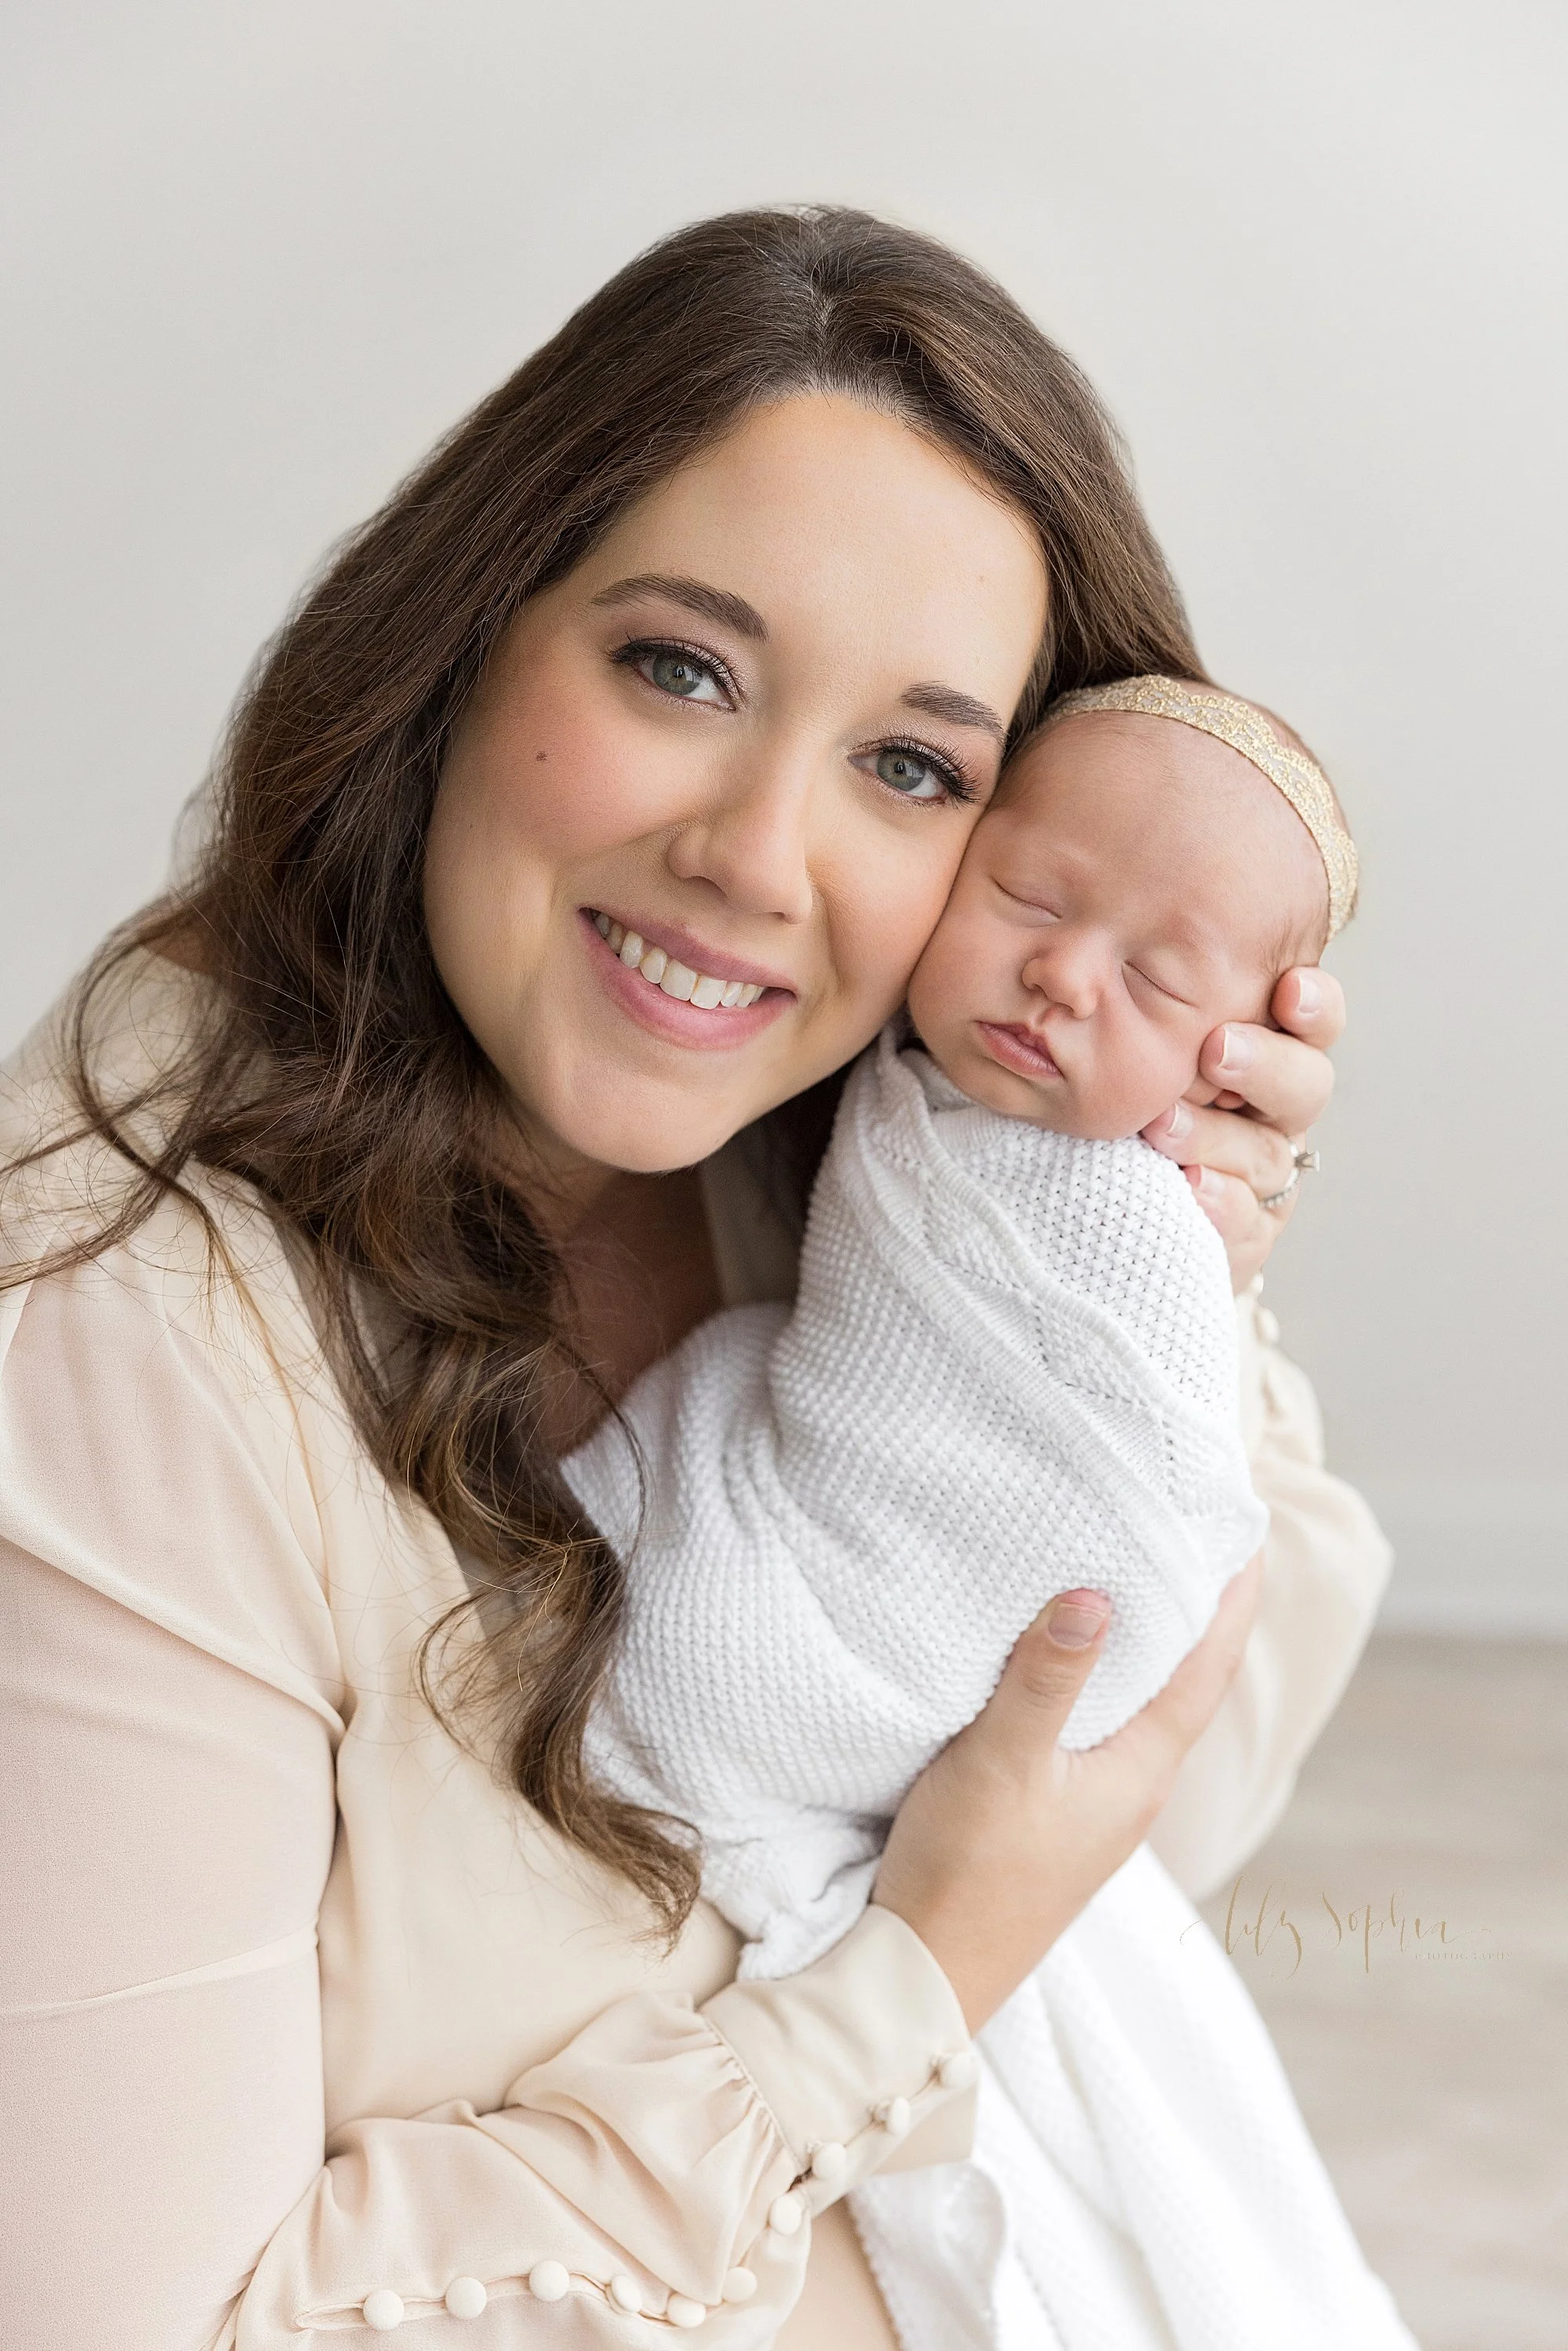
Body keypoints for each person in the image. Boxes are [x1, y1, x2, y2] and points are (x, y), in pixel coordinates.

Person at [0, 210, 1385, 2350]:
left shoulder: (864, 1157)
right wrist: (905, 1979)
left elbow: (1150, 1823)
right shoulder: (117, 1335)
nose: (757, 855)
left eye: (911, 766)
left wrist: (1165, 1259)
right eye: (682, 668)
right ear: (468, 634)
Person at [565, 677, 1414, 2348]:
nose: (1063, 975)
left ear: (1240, 1056)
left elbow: (1154, 1518)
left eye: (1155, 978)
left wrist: (1223, 1277)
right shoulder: (882, 1089)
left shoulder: (1137, 1226)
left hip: (905, 1655)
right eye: (1026, 896)